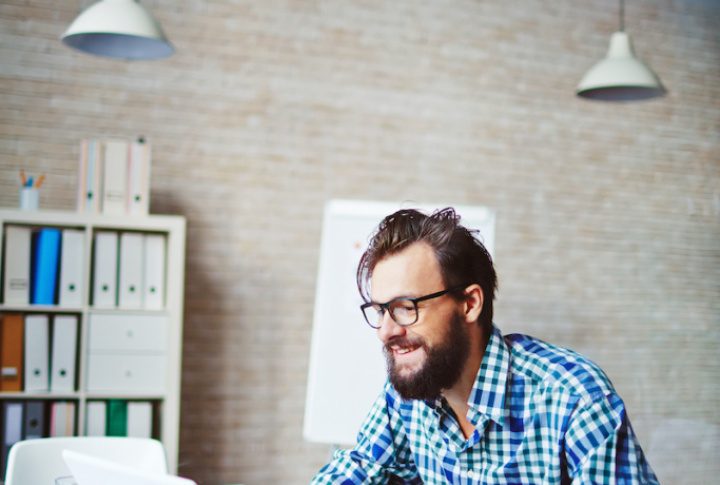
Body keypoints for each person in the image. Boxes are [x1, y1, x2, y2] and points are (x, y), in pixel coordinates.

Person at [311, 207, 659, 484]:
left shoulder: (575, 398)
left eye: (405, 308)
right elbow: (358, 468)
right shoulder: (406, 397)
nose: (385, 331)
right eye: (380, 310)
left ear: (470, 304)